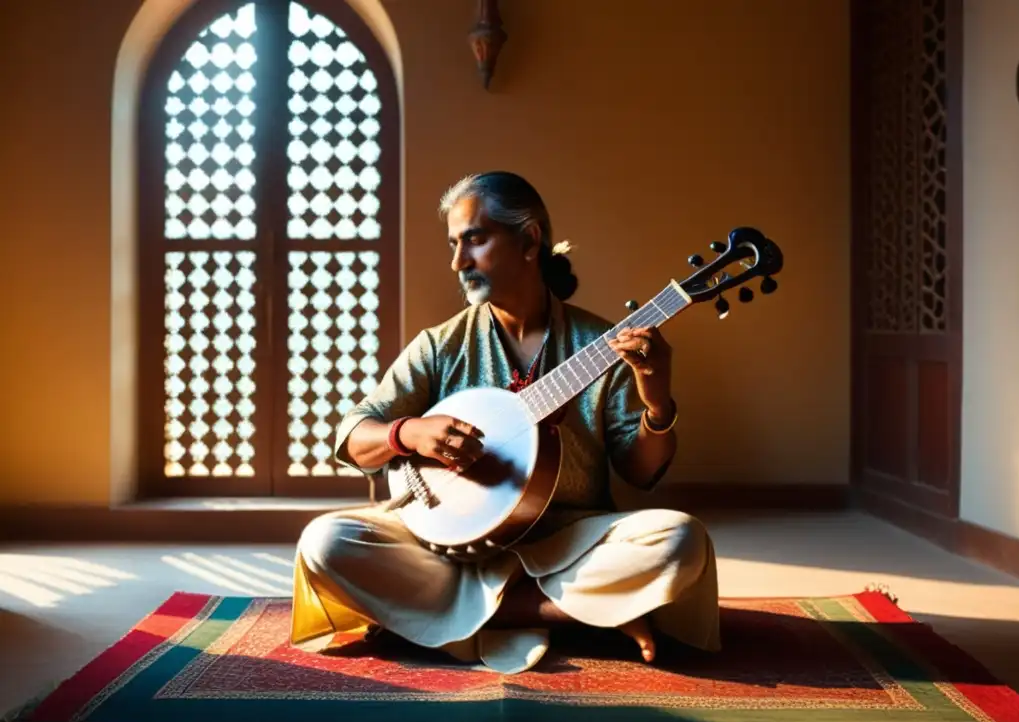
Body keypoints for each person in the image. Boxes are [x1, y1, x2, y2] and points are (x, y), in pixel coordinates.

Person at [290, 171, 720, 674]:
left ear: (529, 240)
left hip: (570, 542)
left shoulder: (600, 344)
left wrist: (657, 400)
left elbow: (641, 472)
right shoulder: (441, 345)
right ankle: (579, 616)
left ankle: (459, 615)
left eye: (474, 239)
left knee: (680, 540)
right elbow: (353, 434)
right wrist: (408, 433)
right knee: (327, 542)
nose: (457, 261)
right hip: (454, 548)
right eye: (454, 244)